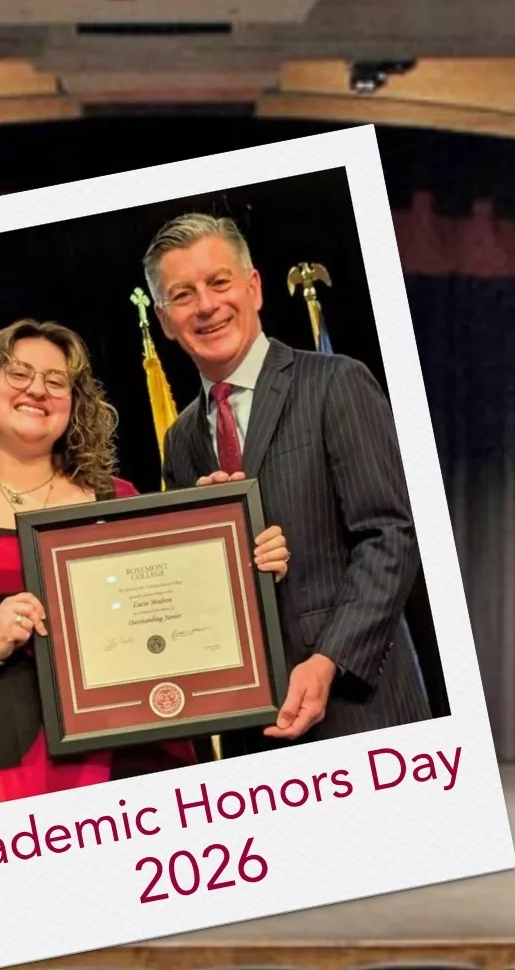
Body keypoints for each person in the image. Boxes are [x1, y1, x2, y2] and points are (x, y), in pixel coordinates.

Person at [0, 317, 292, 814]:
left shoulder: (121, 500)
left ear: (75, 402)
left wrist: (233, 549)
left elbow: (178, 615)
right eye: (19, 374)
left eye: (56, 381)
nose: (37, 390)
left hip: (138, 761)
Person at [146, 212, 429, 753]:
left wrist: (328, 662)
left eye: (219, 282)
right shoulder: (179, 441)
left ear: (253, 288)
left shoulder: (335, 383)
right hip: (252, 730)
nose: (205, 306)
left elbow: (391, 535)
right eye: (182, 295)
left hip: (361, 709)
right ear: (163, 319)